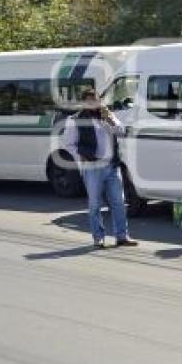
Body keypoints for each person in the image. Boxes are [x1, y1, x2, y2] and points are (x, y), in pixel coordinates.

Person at [62, 88, 137, 249]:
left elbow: (122, 132)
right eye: (90, 101)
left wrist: (111, 119)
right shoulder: (75, 120)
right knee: (95, 204)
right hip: (92, 166)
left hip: (111, 165)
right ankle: (98, 237)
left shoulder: (107, 115)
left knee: (119, 202)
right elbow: (68, 144)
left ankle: (122, 236)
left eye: (96, 100)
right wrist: (80, 157)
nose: (95, 104)